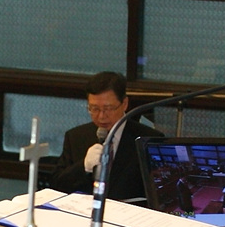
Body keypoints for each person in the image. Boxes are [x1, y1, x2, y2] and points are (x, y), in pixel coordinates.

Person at [47, 72, 162, 204]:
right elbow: (56, 185)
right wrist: (83, 166)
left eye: (108, 108)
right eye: (94, 109)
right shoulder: (75, 136)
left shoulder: (148, 139)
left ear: (124, 103)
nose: (101, 116)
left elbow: (159, 192)